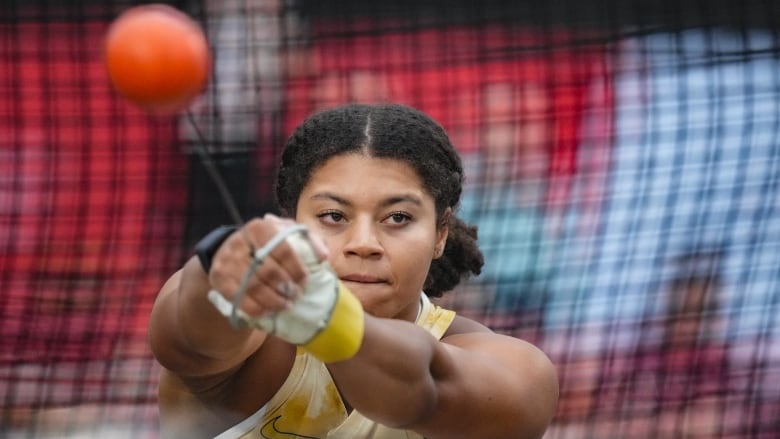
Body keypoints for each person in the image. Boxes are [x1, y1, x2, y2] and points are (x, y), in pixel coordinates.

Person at [148, 103, 559, 439]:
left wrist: (327, 318)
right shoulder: (253, 338)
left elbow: (423, 388)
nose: (363, 242)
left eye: (397, 218)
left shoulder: (513, 367)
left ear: (440, 234)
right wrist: (221, 270)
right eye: (332, 215)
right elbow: (186, 336)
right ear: (291, 221)